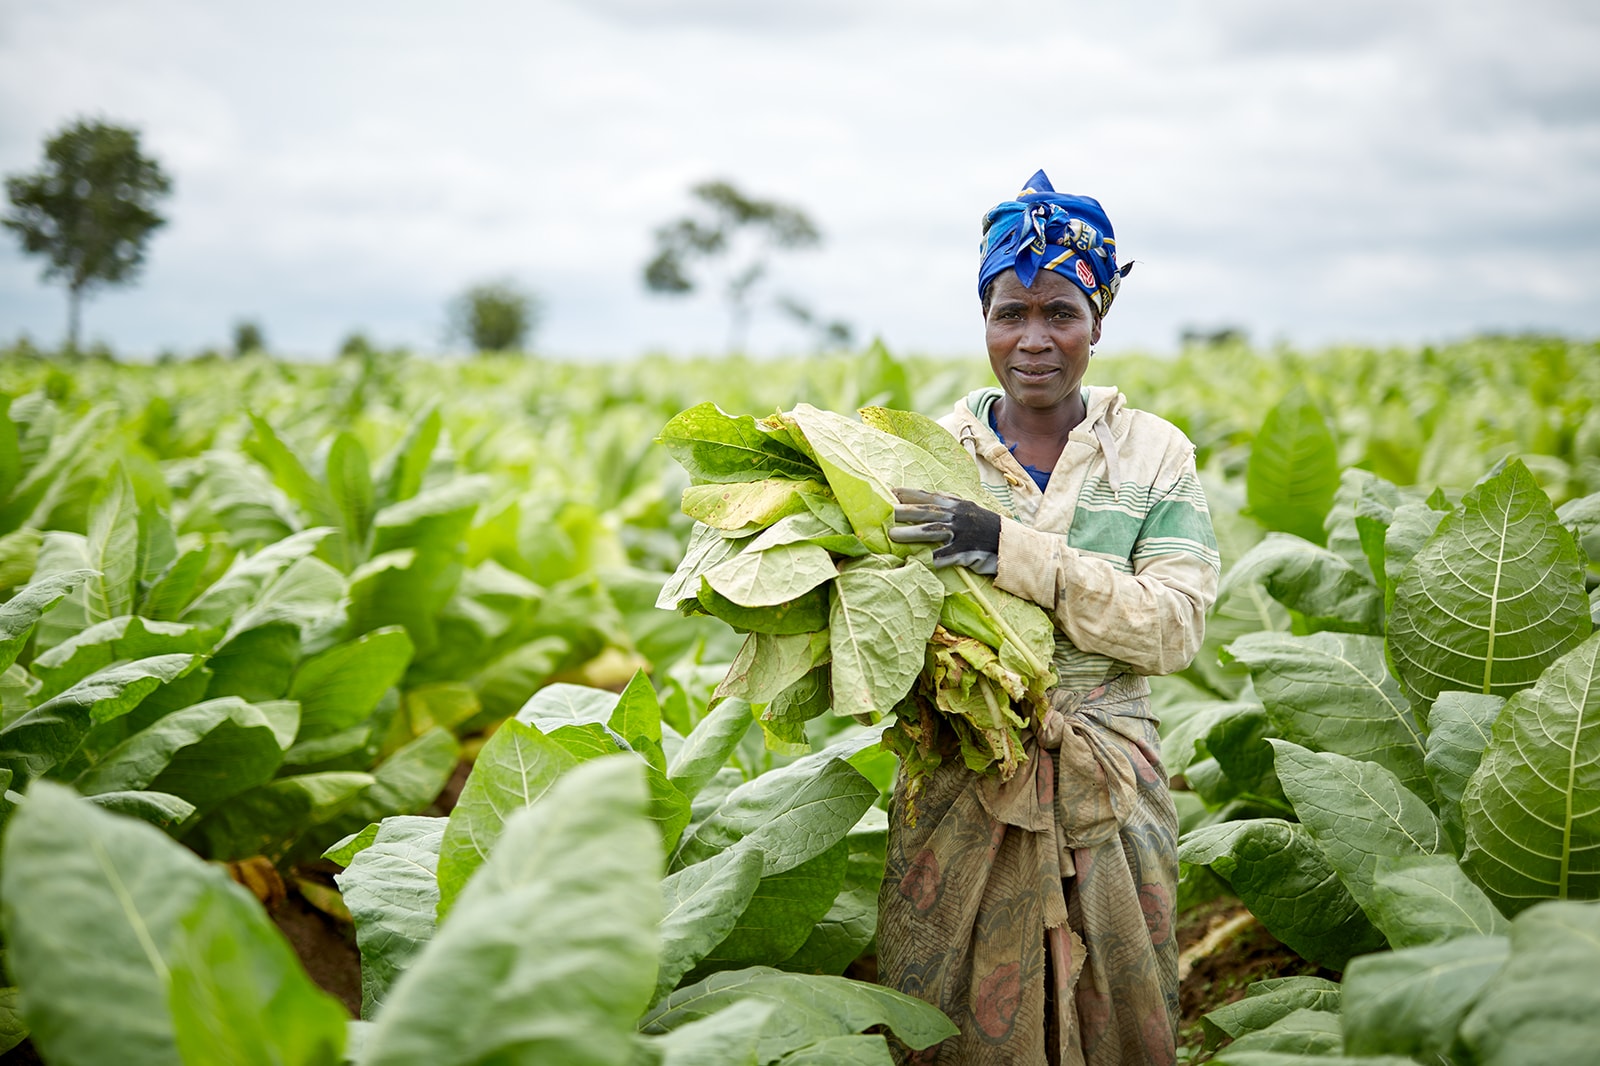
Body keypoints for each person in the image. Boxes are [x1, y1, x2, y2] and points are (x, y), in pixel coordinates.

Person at [879, 171, 1220, 1066]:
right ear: (984, 319)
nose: (1034, 340)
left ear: (1099, 319)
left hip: (1108, 765)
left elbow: (1175, 627)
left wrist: (1009, 548)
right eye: (1011, 312)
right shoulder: (926, 456)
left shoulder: (1153, 454)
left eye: (1060, 312)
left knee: (1120, 1000)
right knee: (950, 1007)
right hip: (962, 767)